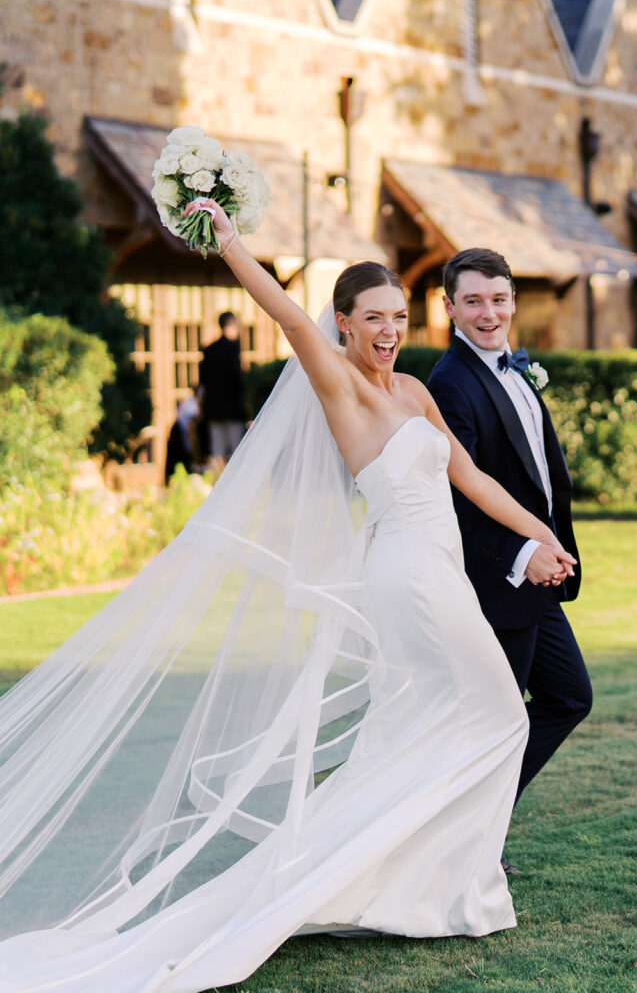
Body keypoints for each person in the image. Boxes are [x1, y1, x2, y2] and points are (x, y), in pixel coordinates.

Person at [0, 206, 577, 992]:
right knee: (499, 715)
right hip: (407, 573)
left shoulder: (412, 389)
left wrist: (542, 537)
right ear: (342, 324)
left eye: (397, 318)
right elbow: (278, 307)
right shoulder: (337, 380)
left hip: (438, 566)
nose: (388, 331)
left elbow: (472, 479)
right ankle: (438, 884)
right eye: (372, 319)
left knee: (435, 725)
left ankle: (411, 882)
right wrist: (231, 241)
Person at [427, 248, 592, 871]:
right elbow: (458, 497)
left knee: (568, 697)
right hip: (501, 580)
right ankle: (463, 845)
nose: (488, 312)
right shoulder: (449, 383)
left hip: (537, 581)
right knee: (497, 719)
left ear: (513, 301)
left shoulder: (513, 369)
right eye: (473, 300)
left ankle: (473, 832)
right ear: (449, 307)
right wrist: (525, 552)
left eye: (498, 299)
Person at [199, 311, 246, 463]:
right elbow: (236, 377)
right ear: (230, 324)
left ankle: (217, 483)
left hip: (213, 407)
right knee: (236, 449)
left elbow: (203, 382)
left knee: (216, 449)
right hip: (232, 406)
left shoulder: (210, 349)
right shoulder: (232, 349)